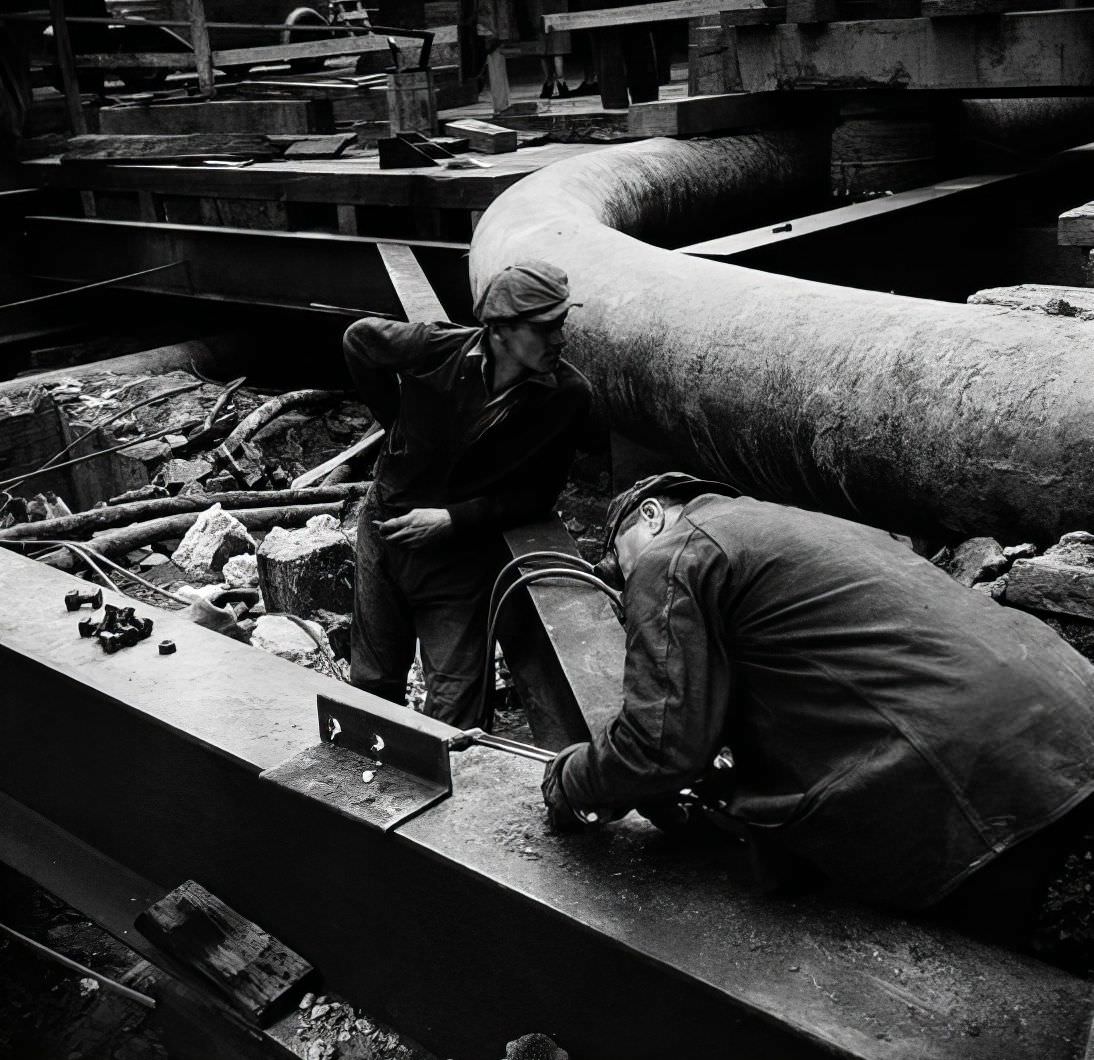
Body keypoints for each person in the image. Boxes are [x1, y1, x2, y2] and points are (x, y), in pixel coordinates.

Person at [542, 472, 1094, 965]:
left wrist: (575, 780)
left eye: (618, 561)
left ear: (652, 514)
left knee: (979, 970)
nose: (622, 582)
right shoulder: (793, 527)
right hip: (1067, 709)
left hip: (968, 761)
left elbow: (657, 745)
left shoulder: (674, 552)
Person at [343, 261, 592, 730]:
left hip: (458, 560)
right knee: (374, 681)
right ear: (500, 331)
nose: (559, 340)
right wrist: (393, 421)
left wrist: (452, 519)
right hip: (385, 535)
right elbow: (360, 339)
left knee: (459, 711)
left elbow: (537, 497)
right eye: (545, 329)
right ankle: (374, 787)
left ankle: (454, 799)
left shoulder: (565, 397)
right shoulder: (438, 349)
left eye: (560, 324)